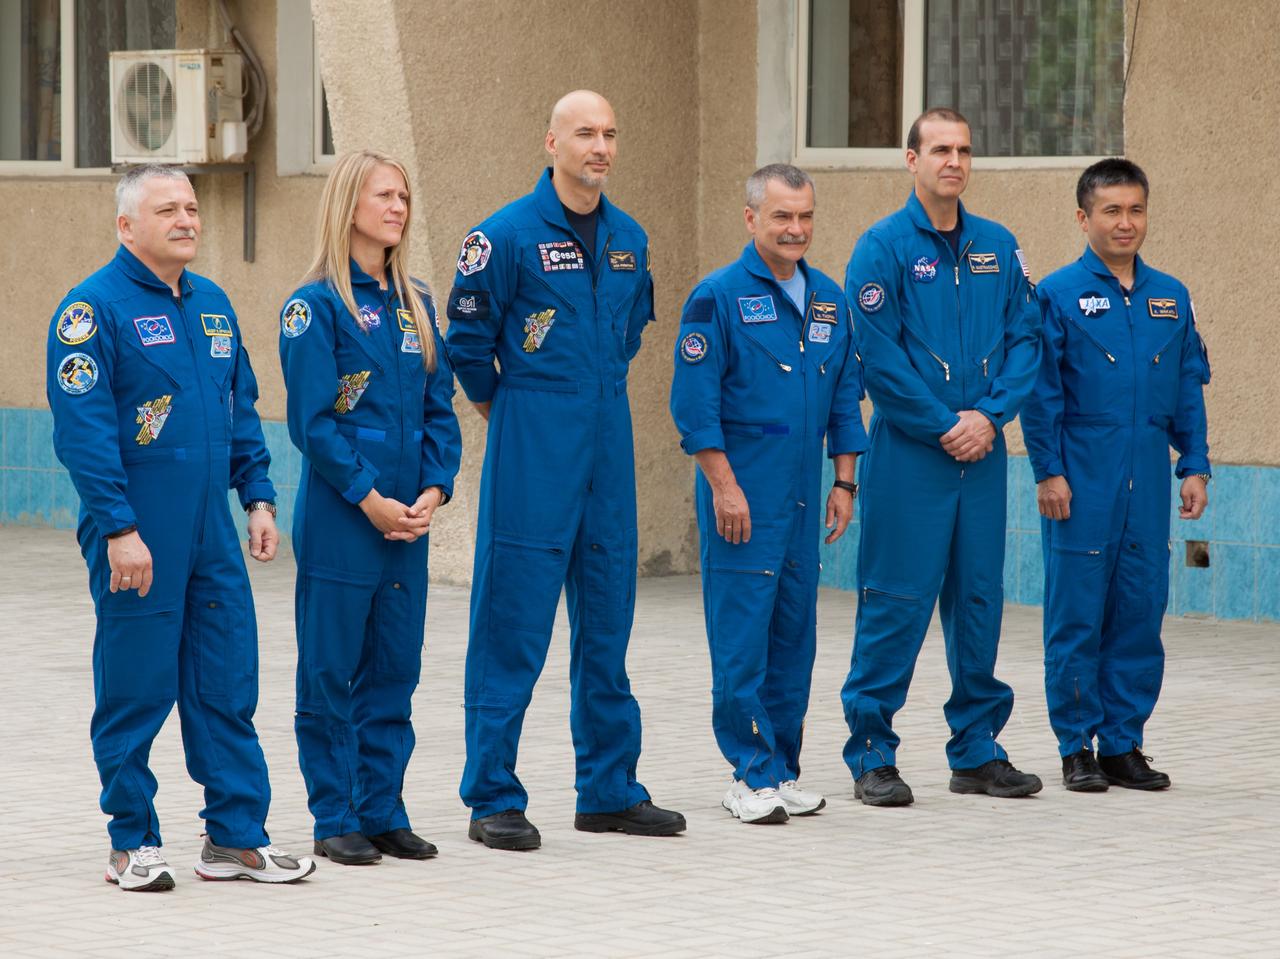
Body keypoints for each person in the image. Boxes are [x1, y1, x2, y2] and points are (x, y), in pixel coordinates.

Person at [46, 164, 314, 890]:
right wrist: (119, 526)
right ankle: (131, 839)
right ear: (126, 226)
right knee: (136, 688)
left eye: (191, 206)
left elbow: (240, 408)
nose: (186, 218)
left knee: (227, 682)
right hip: (139, 533)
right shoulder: (91, 311)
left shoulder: (214, 307)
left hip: (212, 536)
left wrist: (257, 496)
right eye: (167, 208)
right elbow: (84, 432)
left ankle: (234, 836)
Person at [444, 89, 685, 850]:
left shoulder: (629, 238)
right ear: (551, 141)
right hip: (532, 442)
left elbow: (627, 337)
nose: (600, 147)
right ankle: (493, 796)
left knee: (608, 621)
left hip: (606, 440)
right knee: (512, 623)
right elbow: (466, 346)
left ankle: (608, 788)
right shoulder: (504, 236)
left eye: (611, 133)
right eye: (585, 132)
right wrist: (511, 414)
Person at [840, 108, 1043, 806]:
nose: (953, 161)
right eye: (939, 149)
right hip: (910, 457)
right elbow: (877, 355)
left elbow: (1027, 339)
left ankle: (977, 750)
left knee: (980, 600)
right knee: (896, 601)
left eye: (963, 149)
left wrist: (989, 417)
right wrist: (940, 424)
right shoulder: (882, 247)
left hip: (983, 455)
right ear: (911, 160)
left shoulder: (998, 245)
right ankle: (872, 751)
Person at [670, 164, 868, 824]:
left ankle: (781, 767)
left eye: (806, 216)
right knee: (742, 637)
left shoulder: (829, 300)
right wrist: (724, 487)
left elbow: (844, 396)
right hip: (744, 497)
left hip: (805, 497)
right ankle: (746, 772)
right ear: (751, 218)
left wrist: (844, 480)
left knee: (794, 636)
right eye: (782, 216)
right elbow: (695, 407)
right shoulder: (717, 297)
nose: (796, 229)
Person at [279, 150, 462, 864]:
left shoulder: (413, 299)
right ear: (348, 204)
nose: (398, 208)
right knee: (329, 669)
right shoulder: (315, 305)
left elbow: (439, 406)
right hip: (344, 519)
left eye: (404, 197)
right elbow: (313, 424)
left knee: (394, 668)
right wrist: (371, 498)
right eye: (385, 195)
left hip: (405, 522)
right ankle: (334, 814)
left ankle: (383, 807)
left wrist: (432, 489)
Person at [1021, 159, 1209, 792]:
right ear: (1084, 218)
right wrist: (1049, 471)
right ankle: (1076, 745)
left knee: (1138, 609)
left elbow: (1187, 386)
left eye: (1135, 210)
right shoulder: (1055, 294)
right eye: (1111, 210)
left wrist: (1195, 464)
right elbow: (1041, 395)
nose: (1125, 222)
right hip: (1083, 476)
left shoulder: (1170, 296)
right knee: (1077, 614)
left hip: (1149, 477)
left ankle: (1123, 744)